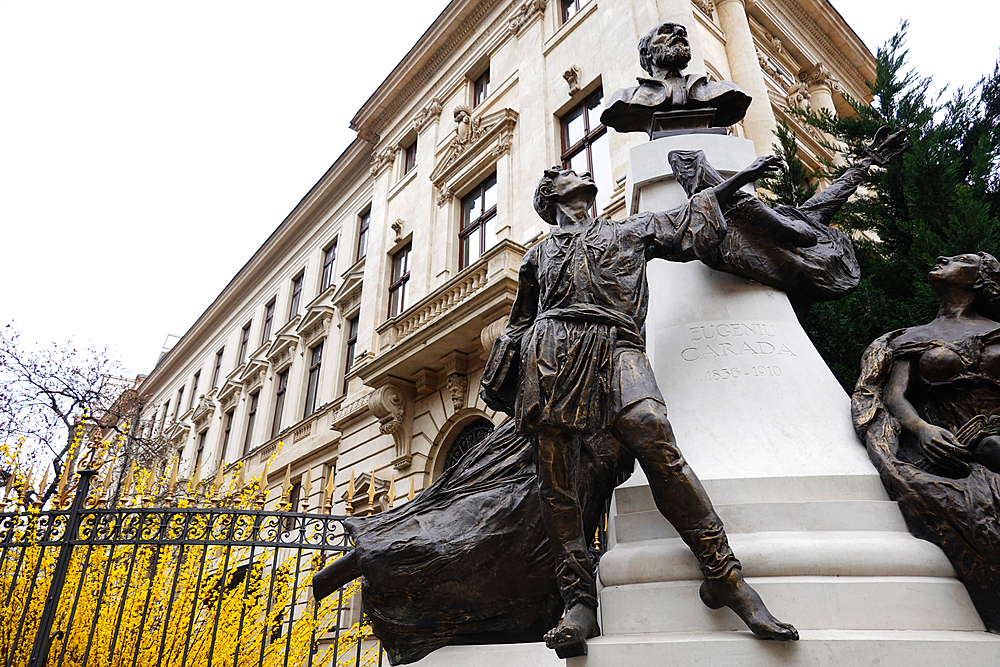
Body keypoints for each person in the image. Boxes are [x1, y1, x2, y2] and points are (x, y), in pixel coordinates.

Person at [480, 160, 798, 657]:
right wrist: (504, 376)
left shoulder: (628, 230)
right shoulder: (537, 256)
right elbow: (523, 320)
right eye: (564, 180)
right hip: (550, 352)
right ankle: (578, 601)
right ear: (552, 199)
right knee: (556, 477)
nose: (573, 179)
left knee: (652, 430)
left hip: (616, 343)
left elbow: (687, 218)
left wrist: (739, 177)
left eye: (577, 178)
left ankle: (725, 576)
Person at [853, 252, 1000, 633]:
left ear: (980, 279)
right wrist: (921, 429)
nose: (943, 258)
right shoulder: (911, 338)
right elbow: (895, 396)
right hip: (946, 442)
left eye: (960, 259)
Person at [667, 127, 909, 318]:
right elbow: (830, 197)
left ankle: (703, 180)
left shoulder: (745, 233)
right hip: (791, 264)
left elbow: (827, 200)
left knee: (736, 208)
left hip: (778, 253)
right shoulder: (792, 231)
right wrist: (865, 163)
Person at [600, 22, 751, 136]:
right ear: (646, 52)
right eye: (666, 31)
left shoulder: (722, 90)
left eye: (683, 33)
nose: (679, 33)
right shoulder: (625, 99)